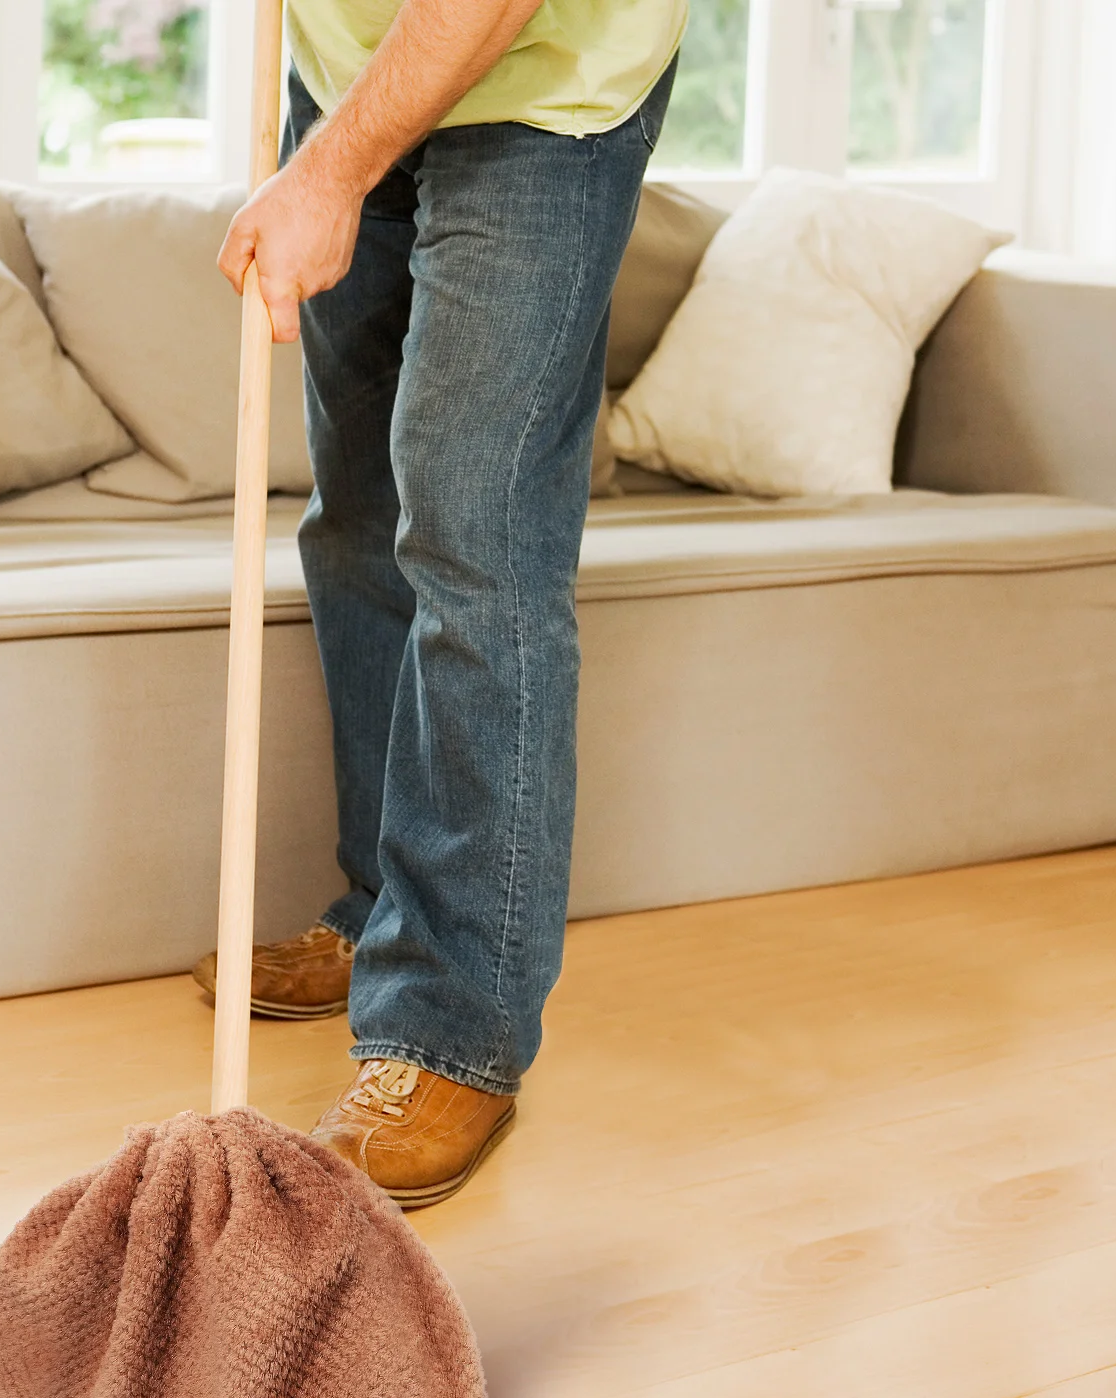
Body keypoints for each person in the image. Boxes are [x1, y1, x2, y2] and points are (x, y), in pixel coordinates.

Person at [196, 0, 685, 1207]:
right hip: (350, 74)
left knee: (476, 535)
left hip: (538, 96)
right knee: (358, 518)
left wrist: (329, 171)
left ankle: (450, 1029)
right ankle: (376, 912)